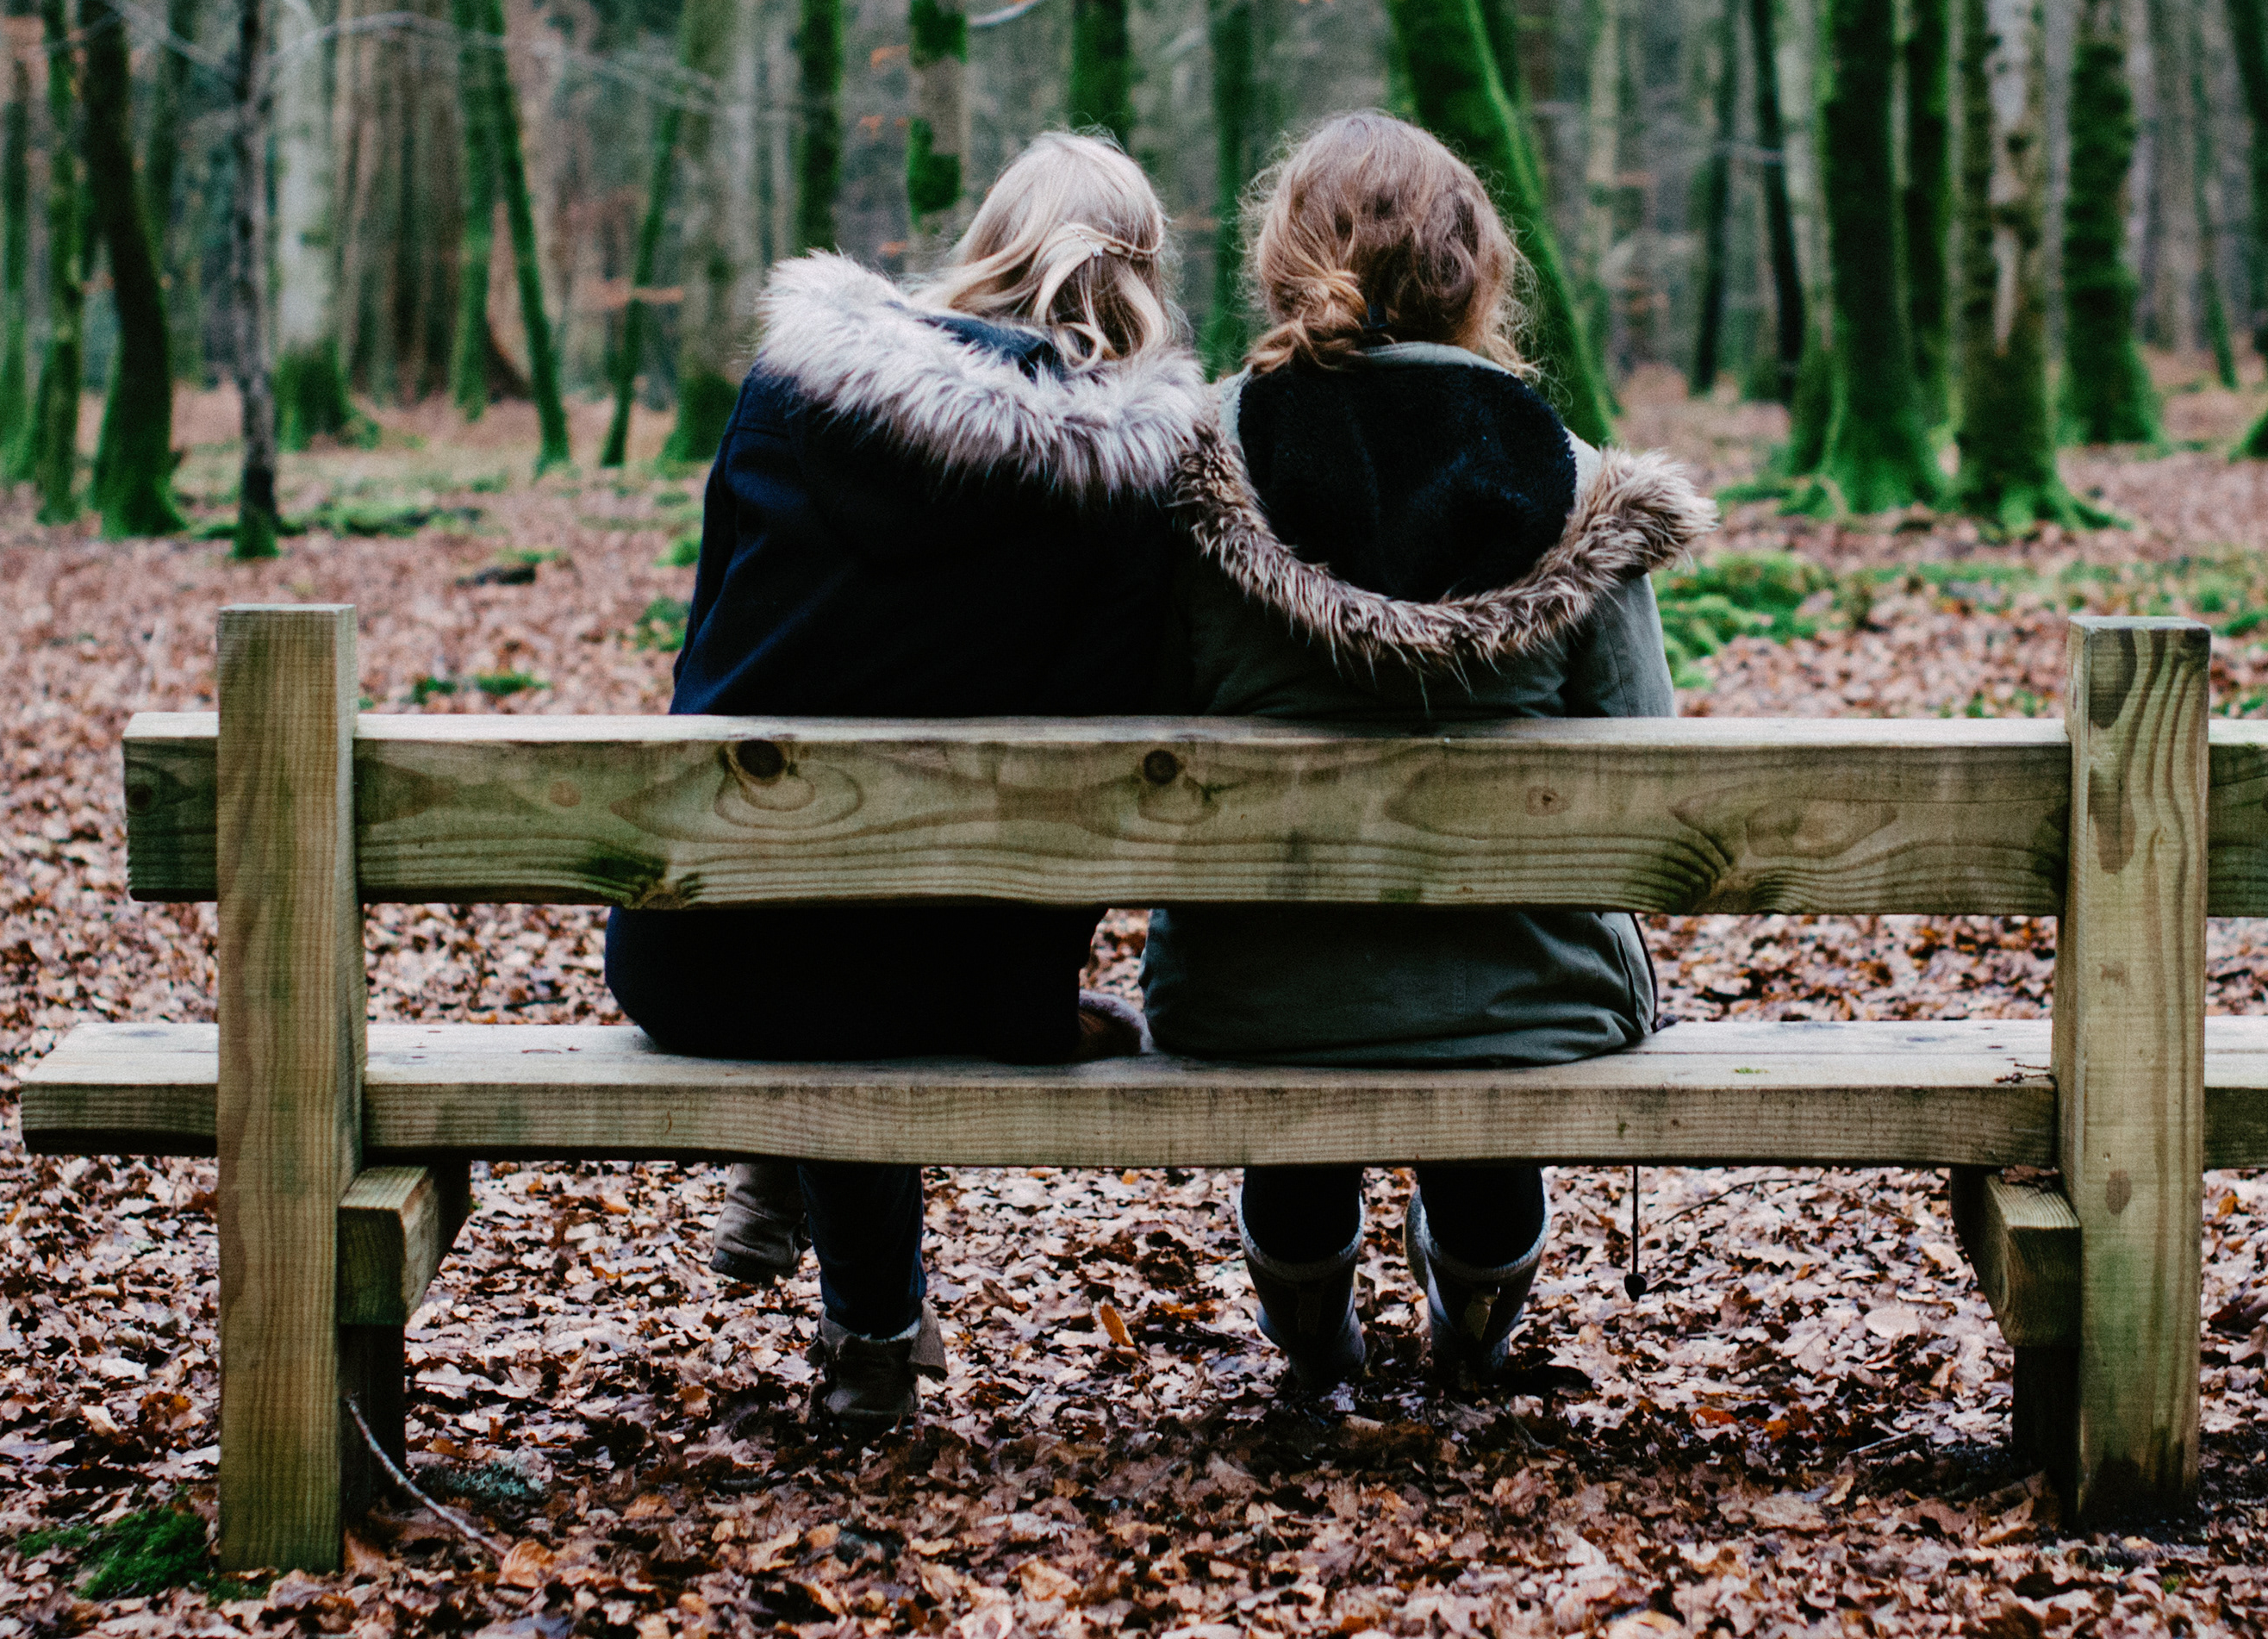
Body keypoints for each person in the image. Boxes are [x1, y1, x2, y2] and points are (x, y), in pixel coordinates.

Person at [610, 131, 1206, 1429]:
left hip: (694, 953)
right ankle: (868, 1327)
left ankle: (861, 1313)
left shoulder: (791, 395)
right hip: (943, 974)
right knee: (876, 956)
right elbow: (1088, 783)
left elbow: (708, 661)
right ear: (1141, 280)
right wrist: (1030, 1003)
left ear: (985, 245)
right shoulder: (1131, 486)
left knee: (828, 938)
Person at [1143, 110, 1714, 1391]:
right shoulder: (1575, 481)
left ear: (1287, 259)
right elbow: (1649, 767)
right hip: (1532, 993)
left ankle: (1312, 1334)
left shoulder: (1191, 469)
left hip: (1248, 992)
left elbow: (1138, 717)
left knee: (1310, 1001)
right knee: (1473, 995)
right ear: (1474, 270)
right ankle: (1476, 1316)